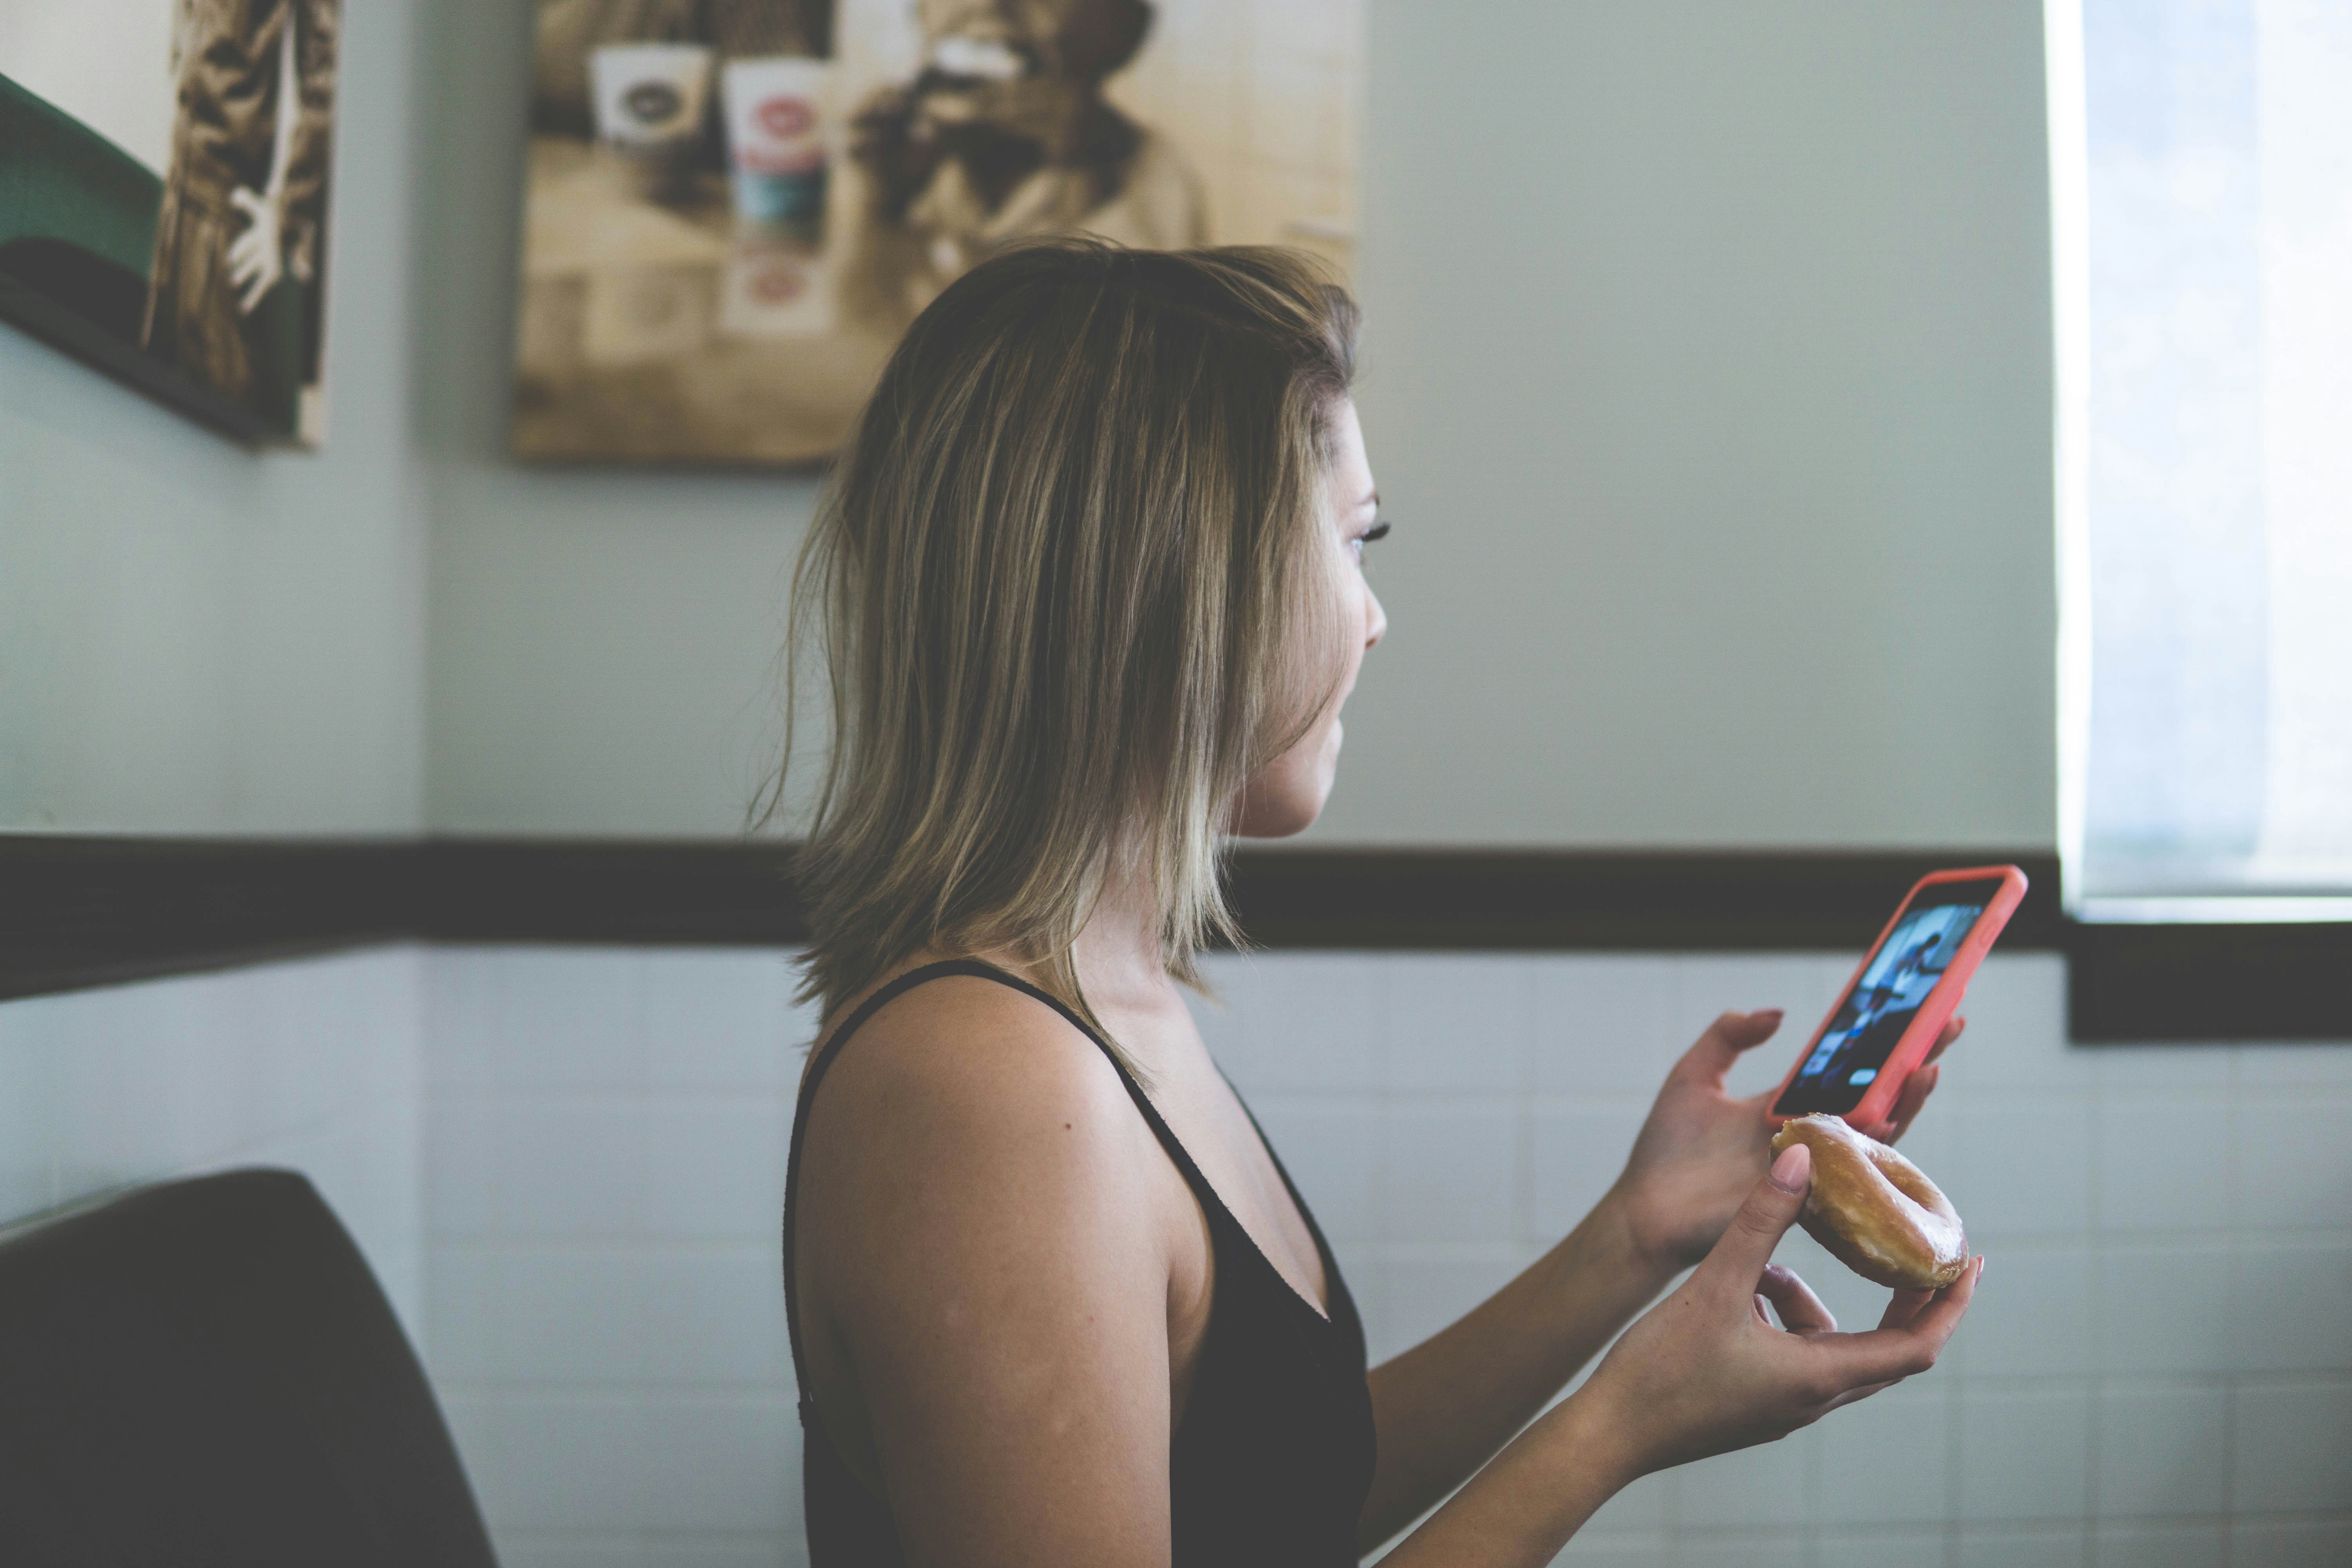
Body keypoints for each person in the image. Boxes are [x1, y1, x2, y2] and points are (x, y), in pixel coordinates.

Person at [772, 238, 1980, 1568]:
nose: (1374, 618)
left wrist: (1635, 1237)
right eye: (1355, 541)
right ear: (1184, 584)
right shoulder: (986, 1081)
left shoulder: (1101, 1001)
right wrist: (1622, 1424)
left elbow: (1273, 1500)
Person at [143, 0, 338, 424]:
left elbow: (331, 71)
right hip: (178, 208)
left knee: (208, 437)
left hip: (223, 233)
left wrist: (286, 217)